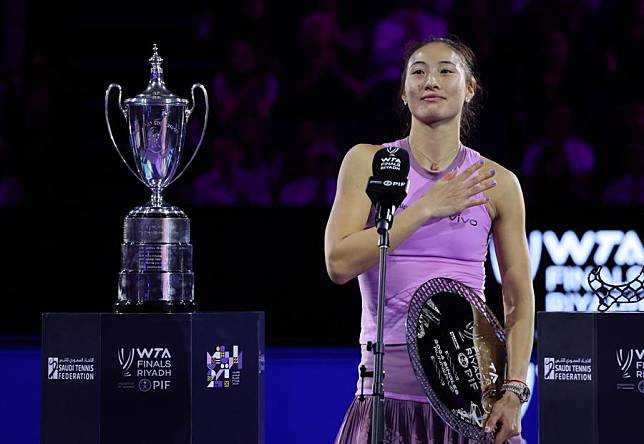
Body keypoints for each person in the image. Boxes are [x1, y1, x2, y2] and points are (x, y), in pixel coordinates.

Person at [324, 36, 534, 444]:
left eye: (445, 70)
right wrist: (424, 208)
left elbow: (519, 299)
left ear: (470, 89)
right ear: (404, 92)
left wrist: (513, 391)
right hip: (385, 399)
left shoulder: (498, 183)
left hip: (474, 403)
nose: (429, 80)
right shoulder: (367, 162)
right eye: (417, 71)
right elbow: (338, 263)